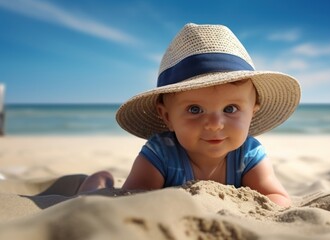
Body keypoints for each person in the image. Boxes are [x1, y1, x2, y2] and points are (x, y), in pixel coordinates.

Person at [78, 23, 301, 207]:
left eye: (230, 109)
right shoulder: (160, 153)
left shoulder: (249, 155)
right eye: (195, 109)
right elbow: (135, 199)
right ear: (167, 117)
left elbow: (277, 198)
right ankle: (97, 181)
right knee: (93, 198)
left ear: (252, 112)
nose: (214, 125)